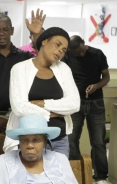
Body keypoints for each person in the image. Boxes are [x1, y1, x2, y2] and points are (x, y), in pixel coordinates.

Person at [3, 27, 80, 157]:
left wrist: (42, 103)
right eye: (58, 44)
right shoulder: (20, 69)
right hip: (28, 142)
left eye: (64, 50)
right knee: (27, 177)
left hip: (59, 141)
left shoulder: (63, 69)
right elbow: (19, 107)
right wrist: (55, 114)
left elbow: (74, 104)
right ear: (44, 41)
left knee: (57, 177)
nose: (60, 50)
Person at [0, 9, 44, 134]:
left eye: (5, 29)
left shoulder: (24, 57)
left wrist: (36, 35)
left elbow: (43, 60)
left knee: (17, 153)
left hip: (18, 117)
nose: (1, 33)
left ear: (12, 30)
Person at [66, 35, 110, 184]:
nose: (81, 54)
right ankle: (75, 172)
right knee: (71, 140)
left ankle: (101, 177)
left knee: (98, 142)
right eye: (78, 53)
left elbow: (106, 77)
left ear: (84, 44)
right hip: (75, 103)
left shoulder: (97, 54)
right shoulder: (67, 56)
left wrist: (96, 86)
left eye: (83, 51)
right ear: (71, 50)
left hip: (96, 103)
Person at [0, 115, 78, 183]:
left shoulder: (60, 160)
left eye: (36, 140)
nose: (30, 145)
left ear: (45, 142)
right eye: (25, 140)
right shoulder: (2, 163)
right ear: (19, 142)